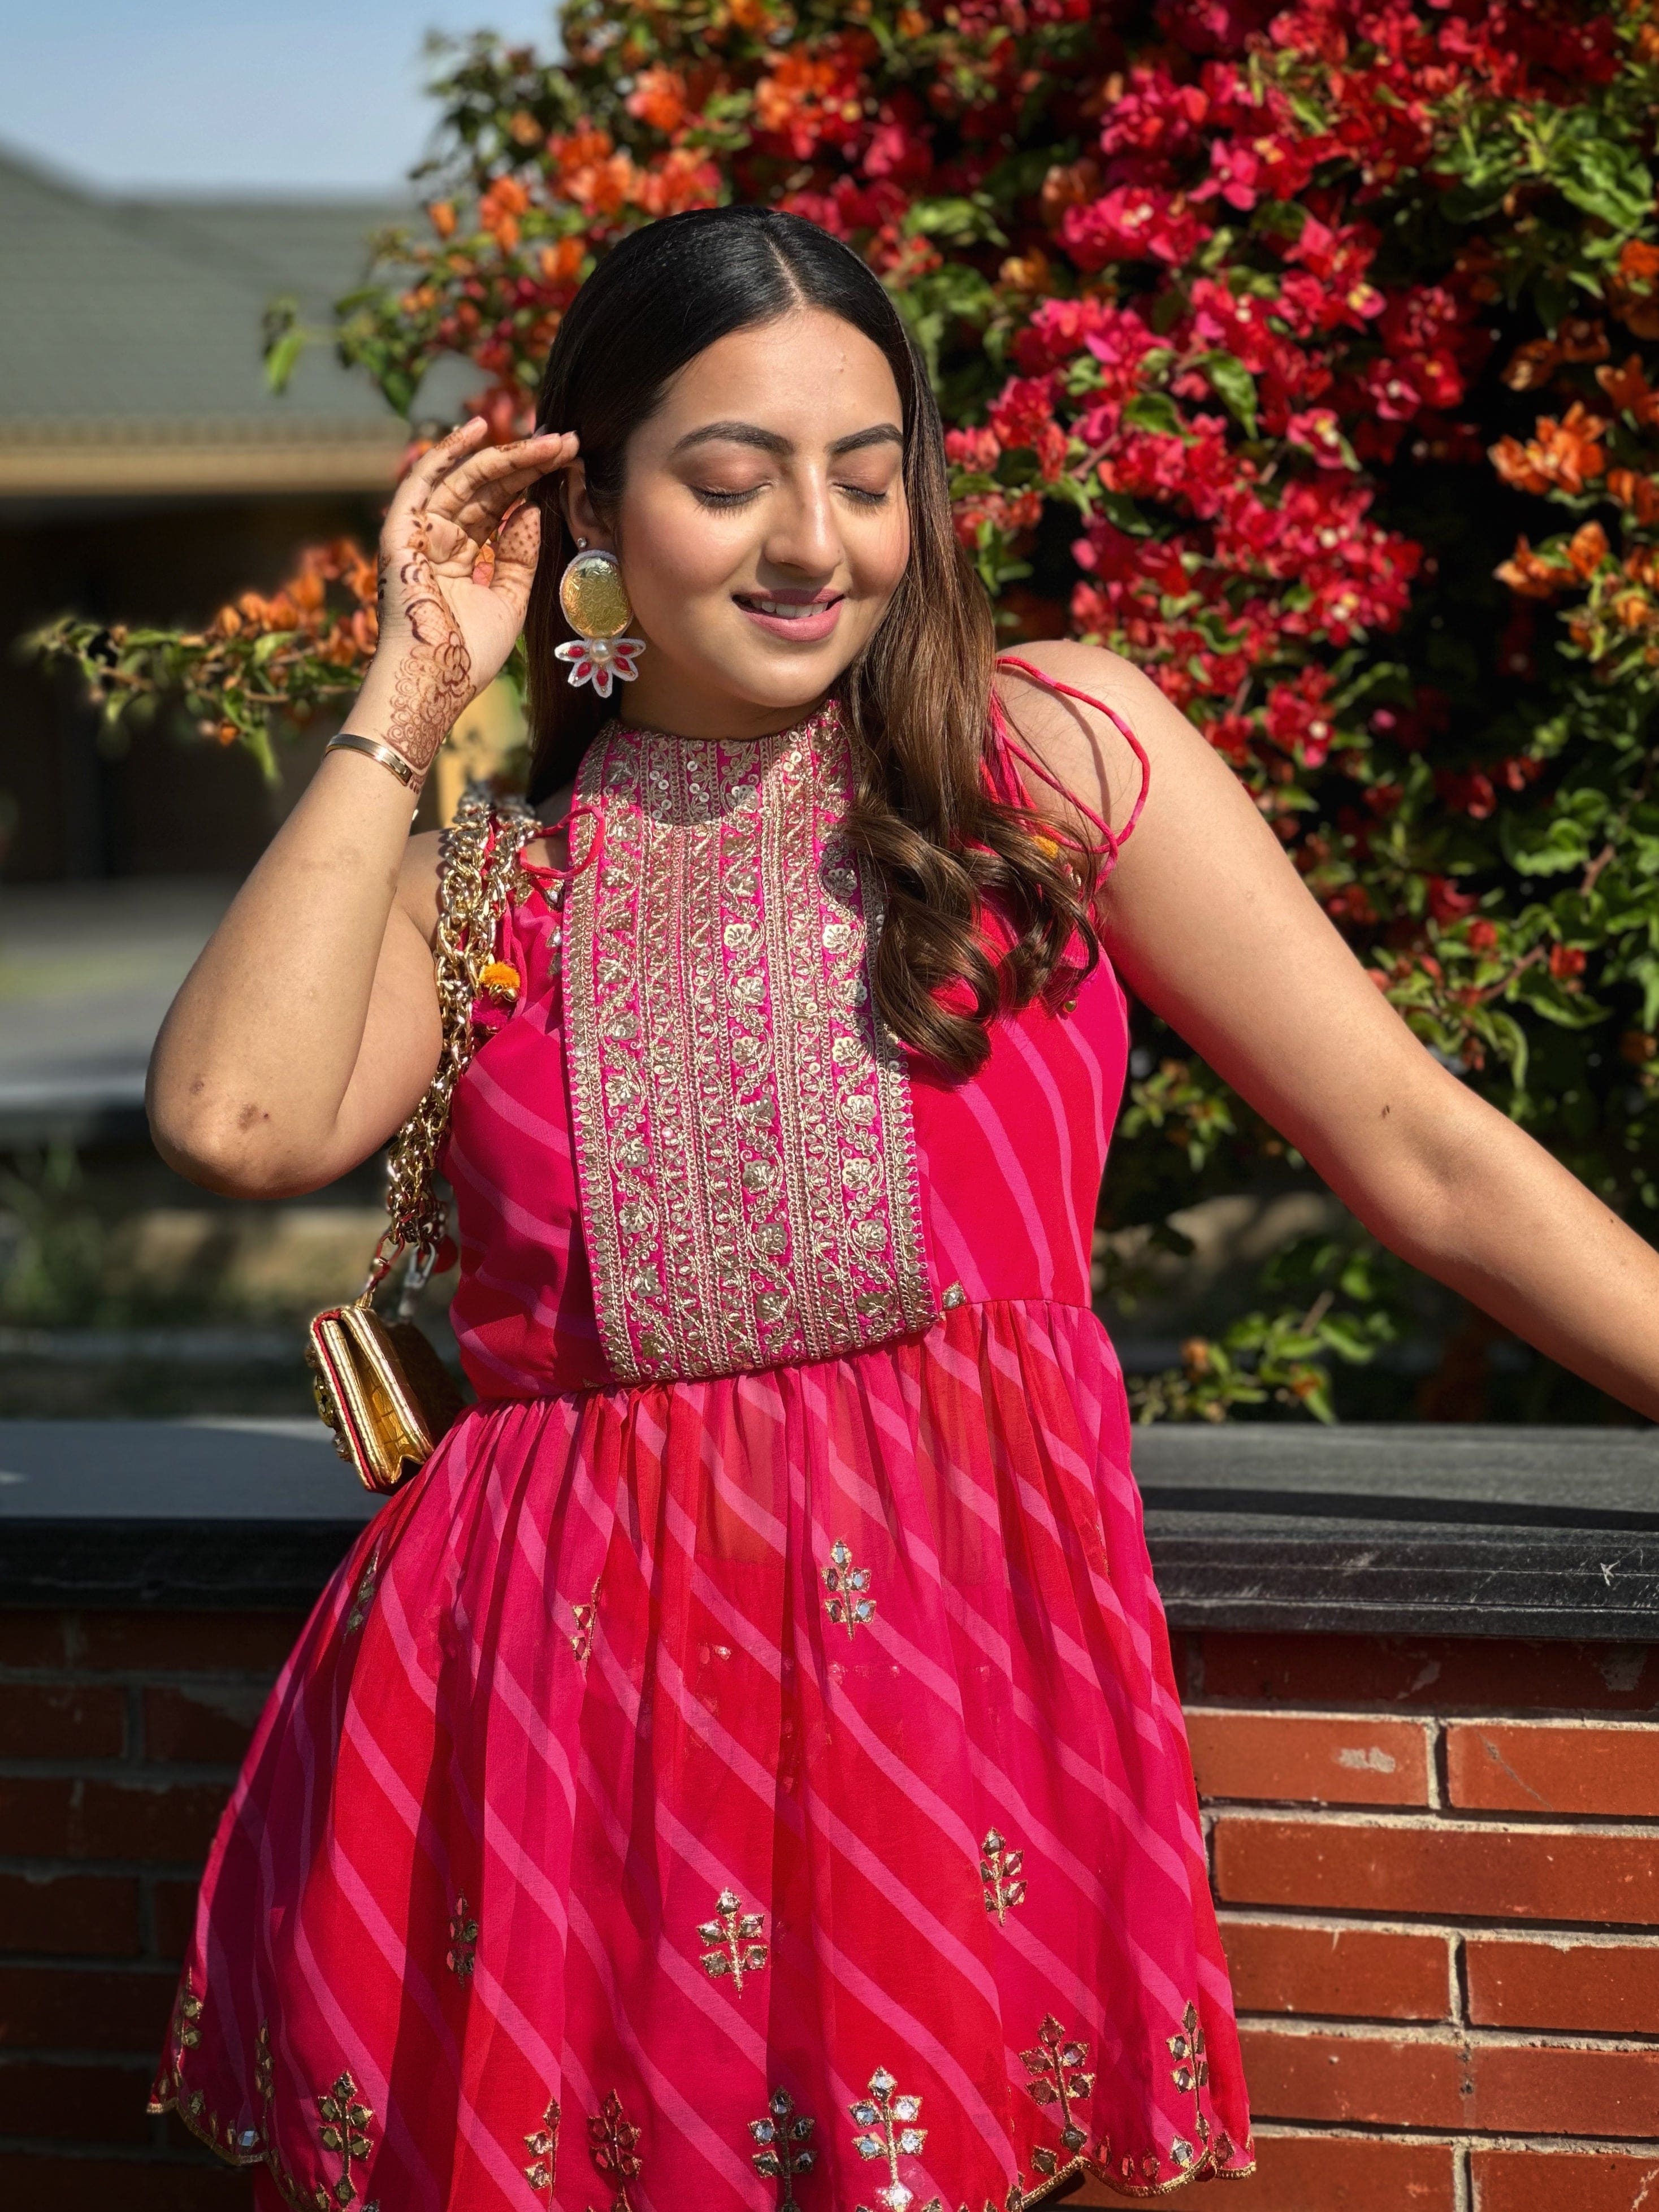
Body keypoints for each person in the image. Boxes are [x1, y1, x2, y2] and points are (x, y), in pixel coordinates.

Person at [141, 204, 1659, 2212]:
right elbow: (236, 1118)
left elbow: (1416, 1145)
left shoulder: (1042, 756)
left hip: (942, 1709)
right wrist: (414, 692)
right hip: (544, 1744)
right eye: (726, 478)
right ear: (588, 501)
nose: (813, 543)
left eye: (869, 477)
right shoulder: (491, 880)